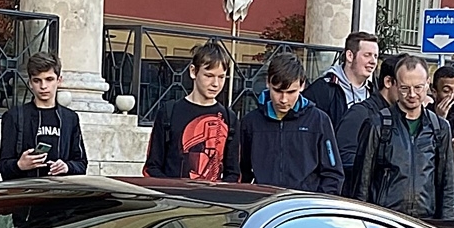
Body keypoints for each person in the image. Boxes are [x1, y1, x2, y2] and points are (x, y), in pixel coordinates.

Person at [348, 54, 454, 220]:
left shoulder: (440, 128)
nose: (412, 94)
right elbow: (362, 182)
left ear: (427, 85)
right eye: (405, 88)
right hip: (385, 220)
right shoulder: (377, 124)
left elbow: (447, 184)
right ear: (395, 85)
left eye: (418, 87)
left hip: (426, 222)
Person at [228, 50, 341, 191]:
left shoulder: (319, 121)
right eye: (278, 91)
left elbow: (333, 174)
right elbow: (241, 171)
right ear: (268, 83)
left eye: (291, 92)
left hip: (305, 207)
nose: (283, 99)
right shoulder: (250, 123)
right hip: (263, 205)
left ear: (302, 85)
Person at [144, 42, 233, 180]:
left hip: (213, 199)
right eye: (208, 76)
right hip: (172, 198)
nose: (215, 83)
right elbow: (152, 168)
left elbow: (233, 173)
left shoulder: (229, 118)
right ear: (193, 71)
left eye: (221, 77)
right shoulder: (169, 112)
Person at [0, 50, 89, 180]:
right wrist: (19, 165)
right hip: (25, 193)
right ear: (30, 83)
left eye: (49, 79)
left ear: (59, 81)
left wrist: (66, 167)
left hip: (59, 194)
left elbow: (81, 164)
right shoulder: (14, 116)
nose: (43, 86)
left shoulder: (70, 118)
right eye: (37, 80)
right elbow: (3, 165)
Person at [307, 31, 378, 130]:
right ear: (350, 56)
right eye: (367, 55)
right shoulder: (323, 90)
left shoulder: (375, 93)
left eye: (375, 56)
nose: (373, 61)